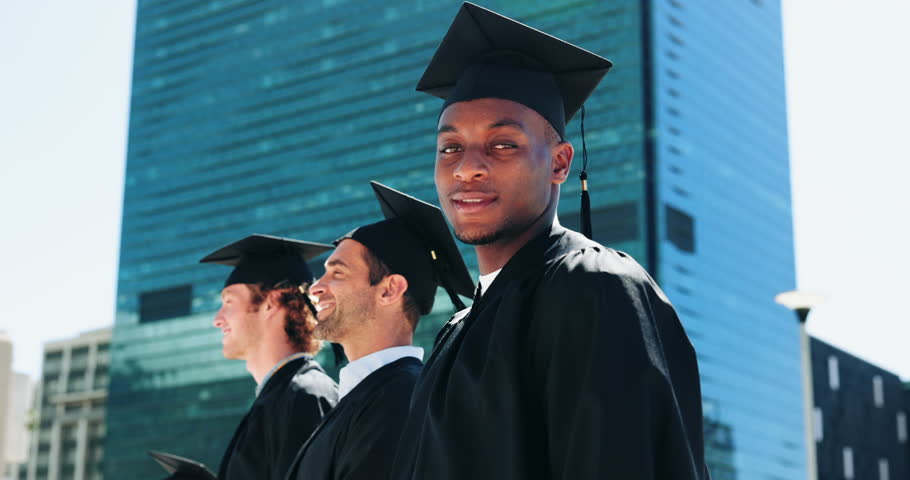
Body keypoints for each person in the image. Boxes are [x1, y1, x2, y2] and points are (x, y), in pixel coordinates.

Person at [390, 3, 711, 479]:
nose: (466, 167)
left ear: (560, 163)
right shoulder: (458, 330)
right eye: (450, 147)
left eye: (502, 144)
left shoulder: (596, 288)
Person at [284, 182, 473, 480]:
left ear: (389, 290)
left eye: (337, 272)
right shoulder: (367, 394)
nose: (316, 286)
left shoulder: (400, 399)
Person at [196, 234, 339, 480]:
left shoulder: (306, 395)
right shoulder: (278, 398)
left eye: (229, 302)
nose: (218, 319)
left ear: (271, 303)